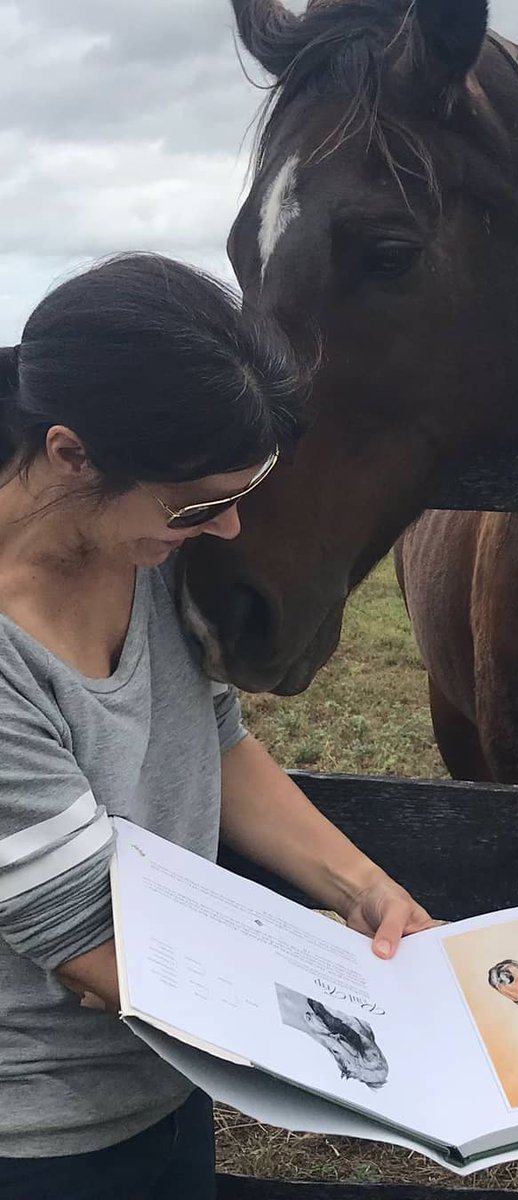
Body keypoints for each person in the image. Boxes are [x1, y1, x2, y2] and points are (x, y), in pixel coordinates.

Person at [0, 254, 434, 1200]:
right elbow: (96, 943)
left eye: (243, 496)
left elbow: (216, 739)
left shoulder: (143, 548)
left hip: (166, 1080)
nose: (230, 530)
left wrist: (360, 885)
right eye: (200, 504)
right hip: (35, 1131)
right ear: (72, 452)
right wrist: (385, 1044)